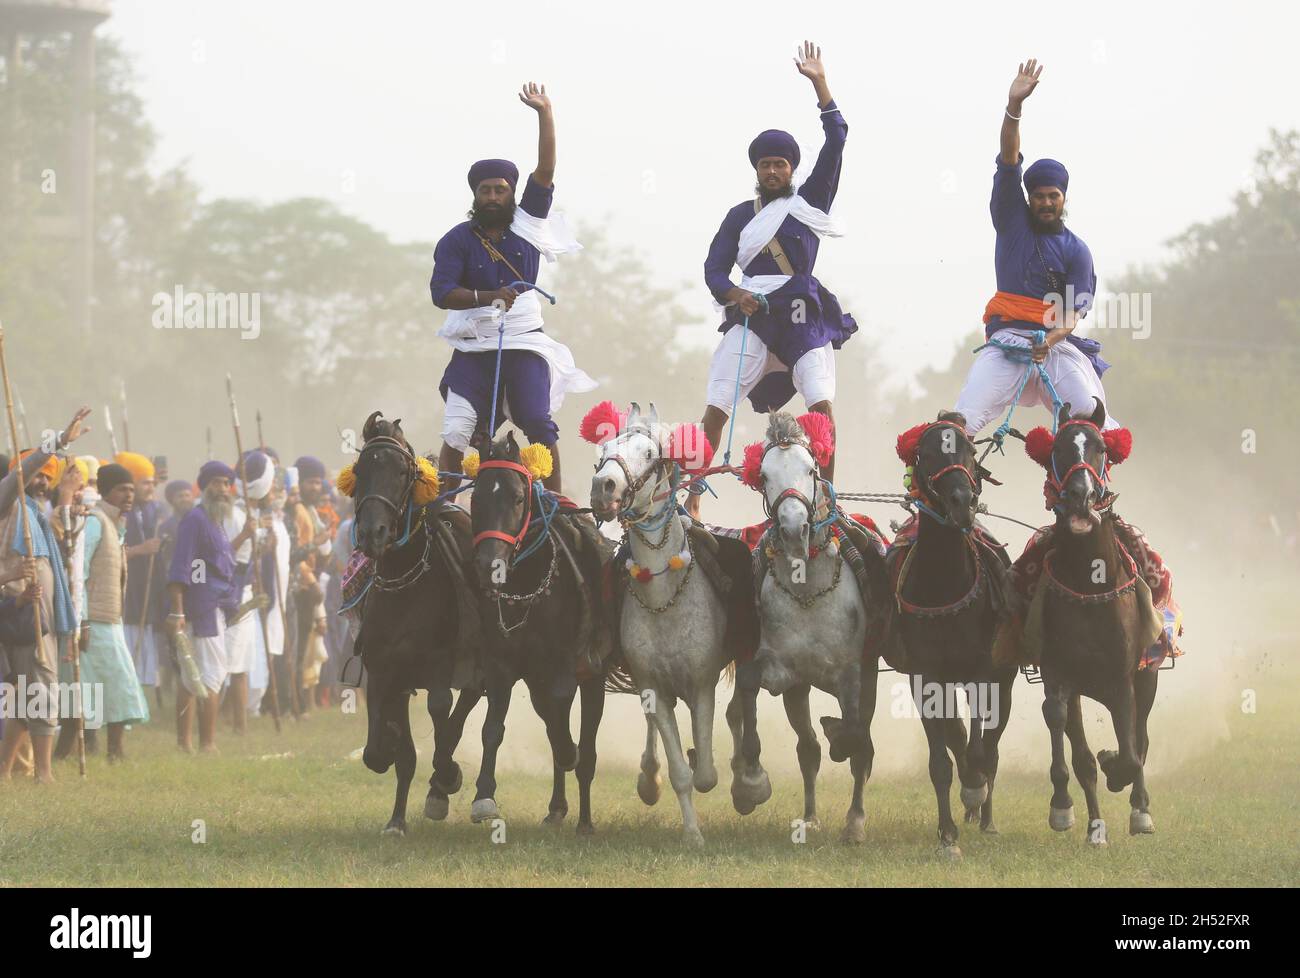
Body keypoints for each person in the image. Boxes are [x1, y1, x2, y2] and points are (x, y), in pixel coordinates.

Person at [689, 41, 854, 517]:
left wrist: (820, 84)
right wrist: (734, 293)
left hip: (803, 315)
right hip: (754, 315)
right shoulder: (741, 215)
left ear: (792, 169)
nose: (774, 170)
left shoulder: (809, 203)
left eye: (780, 164)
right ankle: (695, 501)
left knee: (820, 408)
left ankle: (828, 500)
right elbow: (714, 270)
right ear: (757, 171)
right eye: (766, 164)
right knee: (717, 405)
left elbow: (838, 138)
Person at [430, 82, 594, 494]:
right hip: (473, 345)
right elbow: (441, 293)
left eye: (499, 189)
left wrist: (545, 113)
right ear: (475, 194)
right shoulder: (456, 240)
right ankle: (446, 507)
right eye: (484, 190)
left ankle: (558, 506)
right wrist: (488, 298)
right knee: (455, 432)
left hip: (524, 342)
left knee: (537, 422)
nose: (491, 196)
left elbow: (546, 171)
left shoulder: (528, 223)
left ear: (511, 193)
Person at [953, 58, 1117, 435]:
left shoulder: (1077, 250)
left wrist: (1051, 340)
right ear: (1029, 198)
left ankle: (1089, 491)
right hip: (1006, 342)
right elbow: (1009, 160)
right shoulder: (1012, 222)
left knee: (1094, 418)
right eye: (1039, 196)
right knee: (962, 420)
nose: (1046, 202)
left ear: (1064, 198)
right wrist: (1015, 107)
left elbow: (1073, 314)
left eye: (1053, 196)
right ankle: (939, 491)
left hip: (1056, 346)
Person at [0, 408, 93, 782]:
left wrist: (67, 495)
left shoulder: (40, 515)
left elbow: (68, 557)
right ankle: (44, 775)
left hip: (45, 619)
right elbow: (18, 478)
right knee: (41, 692)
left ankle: (6, 772)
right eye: (35, 474)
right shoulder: (8, 505)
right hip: (21, 617)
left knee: (28, 695)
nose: (41, 480)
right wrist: (58, 443)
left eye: (46, 476)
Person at [166, 460, 254, 753]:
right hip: (201, 608)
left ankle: (186, 744)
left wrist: (245, 536)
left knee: (194, 678)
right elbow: (182, 566)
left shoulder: (215, 522)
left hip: (216, 607)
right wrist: (178, 610)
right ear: (204, 487)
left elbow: (221, 559)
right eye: (216, 483)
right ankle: (207, 744)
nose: (223, 489)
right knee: (211, 675)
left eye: (227, 484)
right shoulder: (195, 520)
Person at [71, 462, 151, 760]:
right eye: (122, 490)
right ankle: (112, 752)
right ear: (105, 491)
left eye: (131, 490)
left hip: (110, 620)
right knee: (120, 683)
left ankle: (99, 752)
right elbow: (80, 572)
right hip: (94, 621)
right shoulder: (94, 522)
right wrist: (82, 620)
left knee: (97, 688)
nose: (129, 495)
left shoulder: (116, 523)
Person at [118, 452, 167, 707]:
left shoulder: (145, 512)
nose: (151, 487)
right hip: (124, 597)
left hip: (143, 597)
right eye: (145, 482)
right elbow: (112, 553)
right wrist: (141, 550)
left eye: (152, 482)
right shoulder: (117, 514)